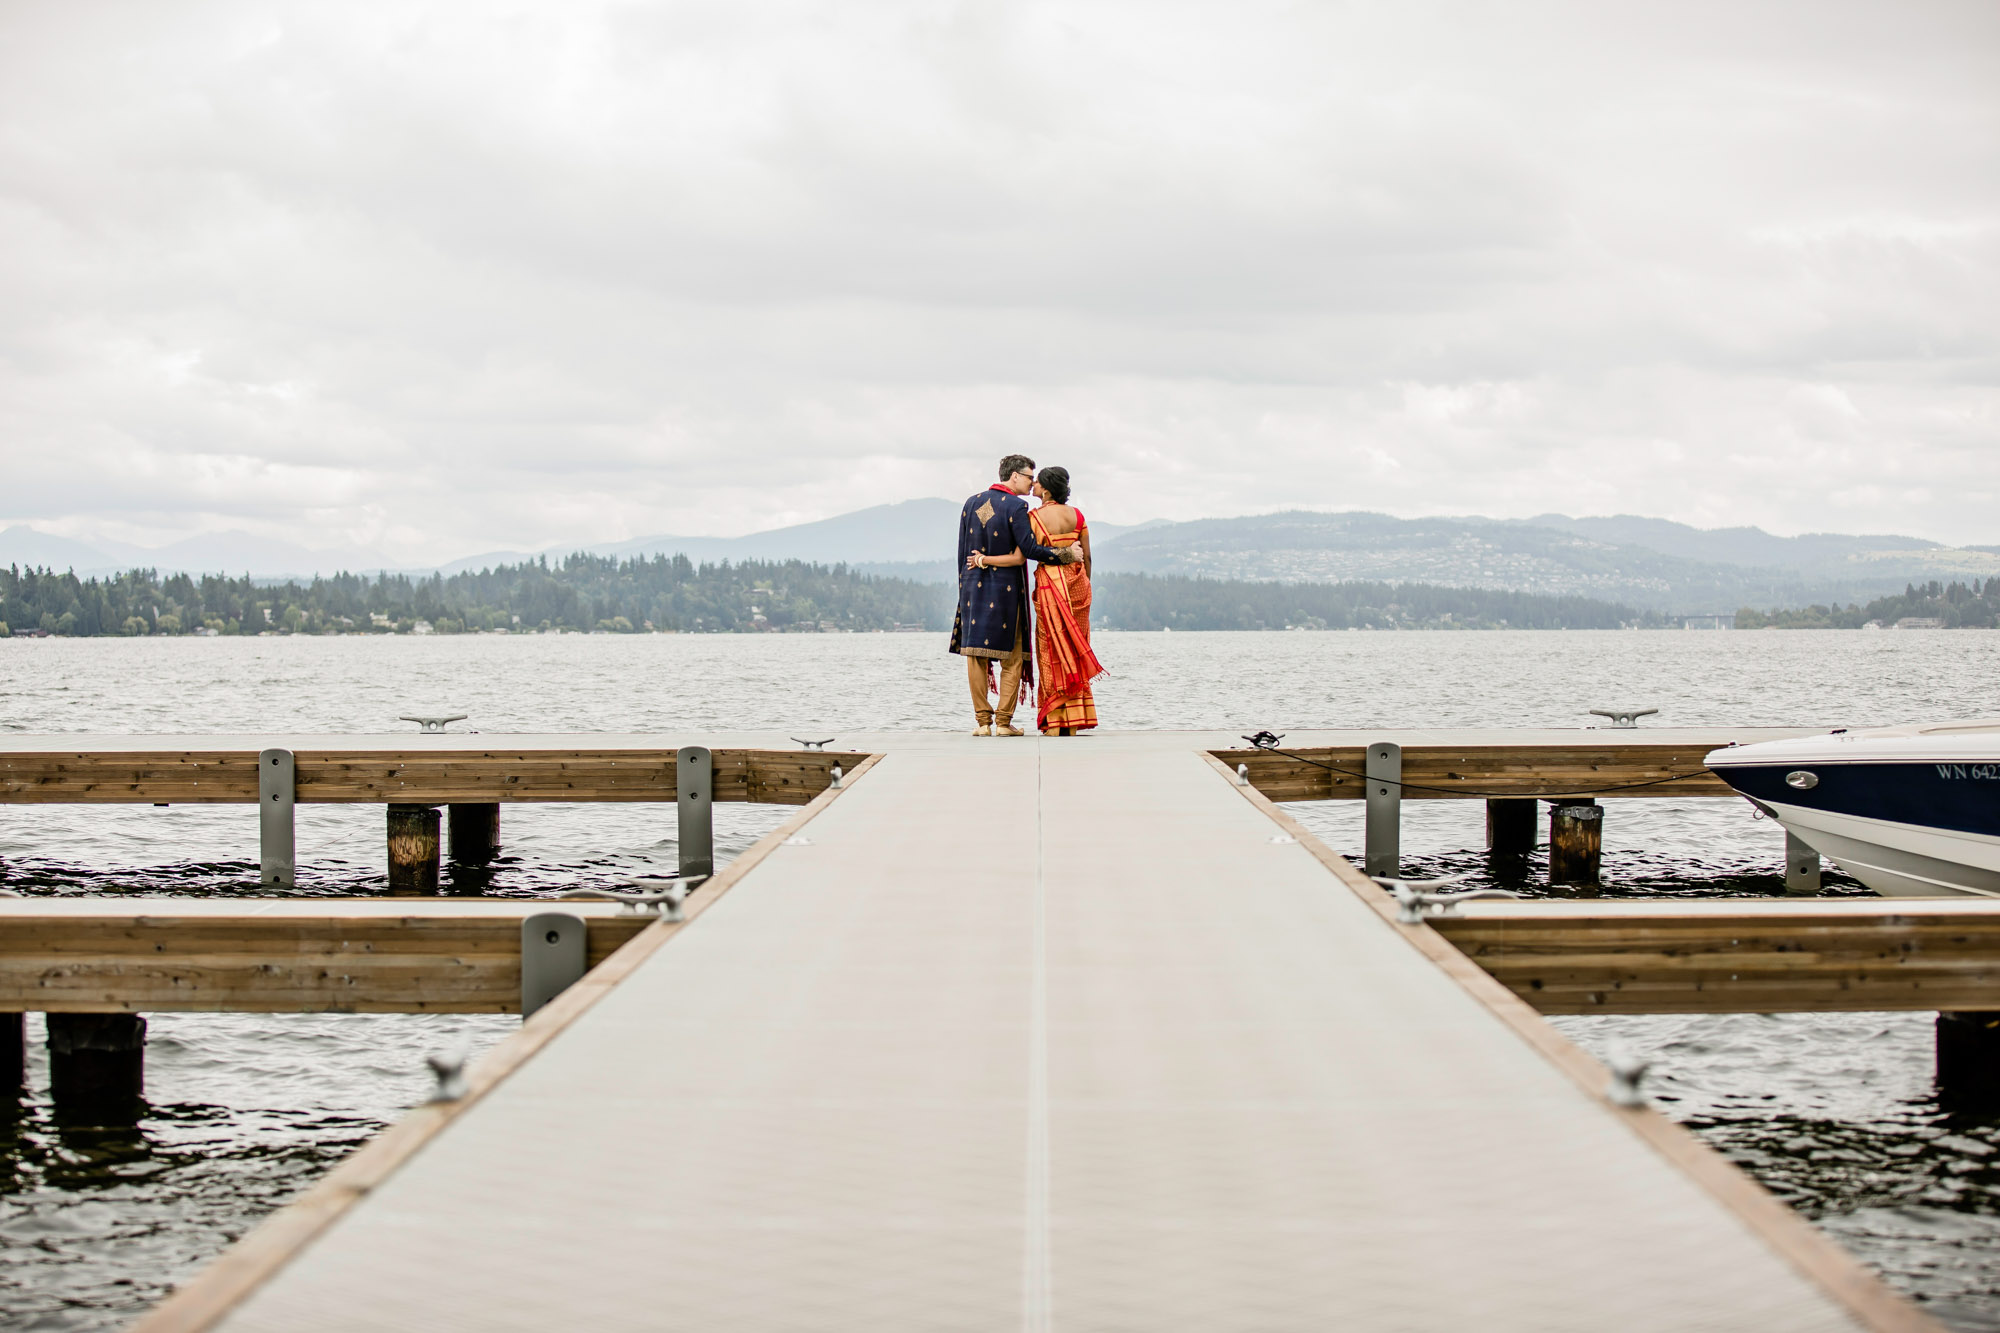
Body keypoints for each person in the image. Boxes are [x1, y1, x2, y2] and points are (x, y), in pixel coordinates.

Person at [951, 454, 1079, 736]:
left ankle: (982, 723)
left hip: (972, 587)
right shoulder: (1016, 506)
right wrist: (1066, 554)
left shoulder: (971, 503)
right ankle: (1004, 723)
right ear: (1015, 476)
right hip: (1007, 590)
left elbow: (962, 553)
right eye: (1030, 477)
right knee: (1012, 657)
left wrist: (965, 588)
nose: (1033, 482)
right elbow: (1030, 551)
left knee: (975, 656)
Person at [975, 466, 1105, 735]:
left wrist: (984, 559)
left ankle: (1055, 722)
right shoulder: (1078, 515)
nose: (1032, 486)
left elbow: (1026, 553)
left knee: (1050, 651)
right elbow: (1088, 557)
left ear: (1045, 489)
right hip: (1079, 586)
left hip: (1050, 585)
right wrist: (1085, 584)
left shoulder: (1034, 517)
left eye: (1037, 483)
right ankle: (1074, 720)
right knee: (1075, 648)